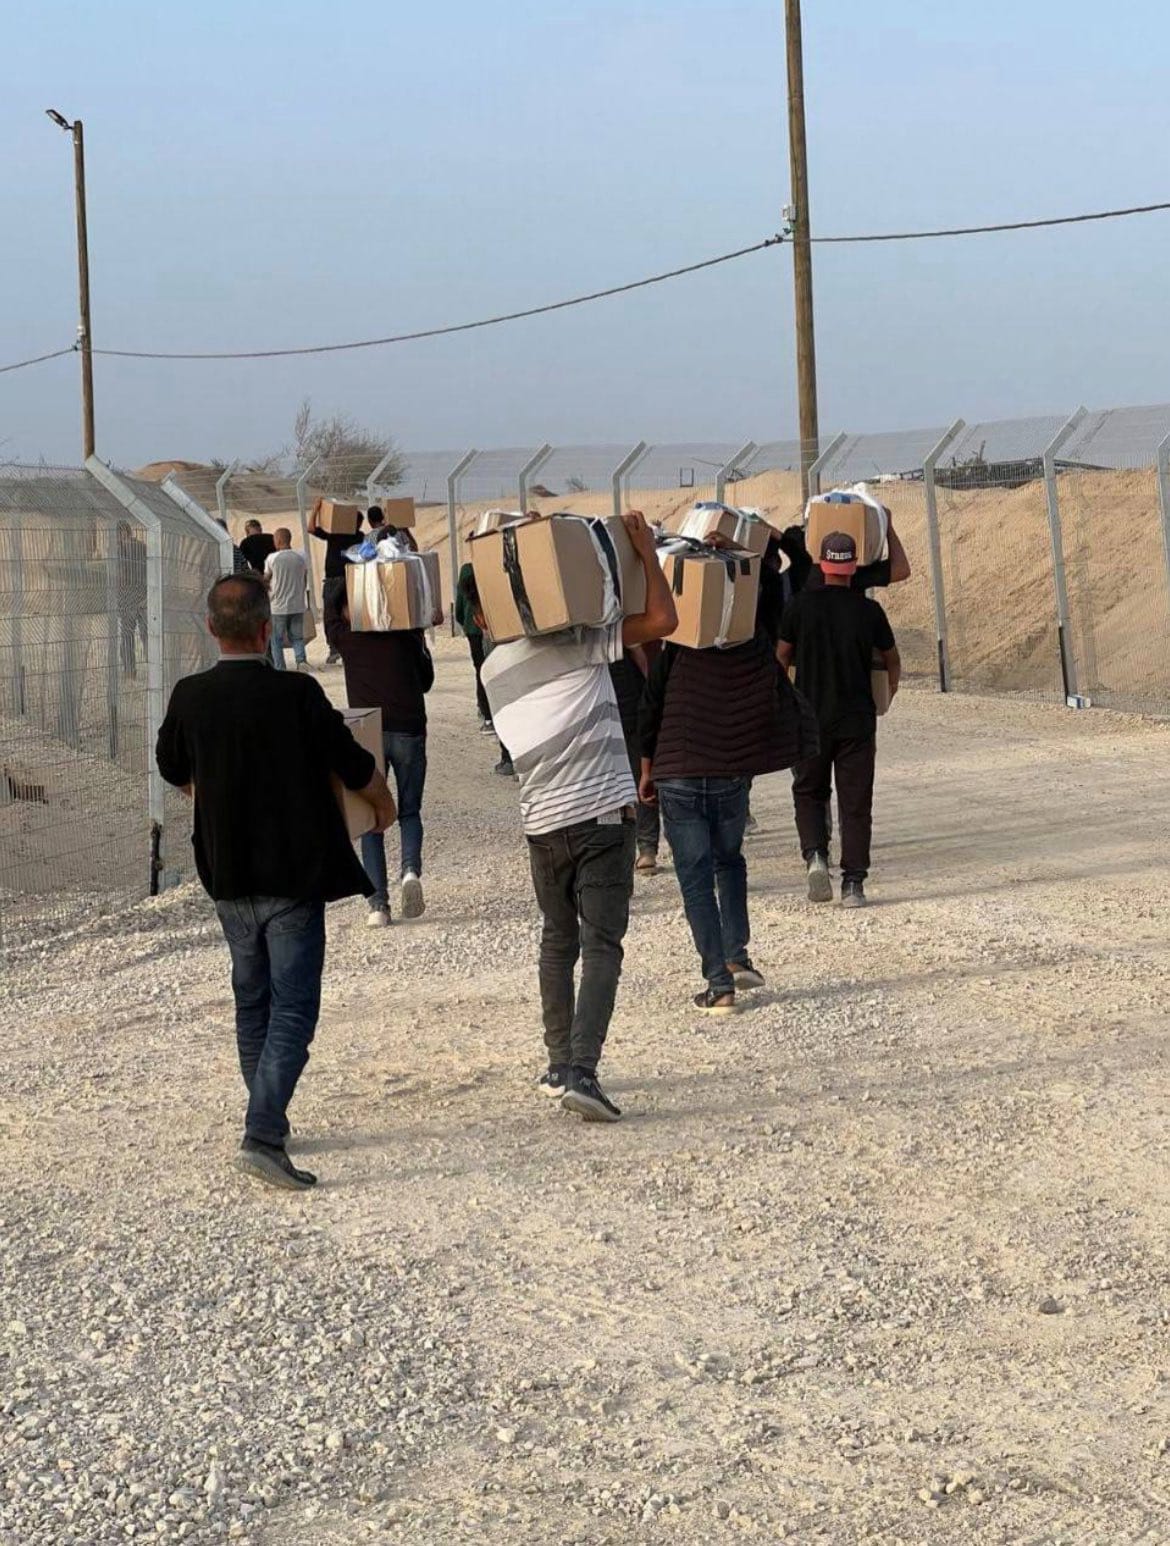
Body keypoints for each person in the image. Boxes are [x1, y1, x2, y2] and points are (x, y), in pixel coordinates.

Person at [155, 573, 397, 1192]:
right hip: (292, 878)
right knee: (294, 1007)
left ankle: (269, 1112)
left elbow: (170, 765)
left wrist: (205, 790)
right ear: (267, 628)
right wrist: (383, 803)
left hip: (228, 877)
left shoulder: (189, 696)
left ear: (211, 628)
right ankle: (262, 1132)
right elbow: (351, 760)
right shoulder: (297, 694)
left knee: (252, 1001)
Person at [466, 510, 677, 1123]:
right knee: (602, 941)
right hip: (602, 816)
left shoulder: (491, 670)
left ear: (487, 617)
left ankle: (559, 1063)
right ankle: (584, 1070)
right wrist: (643, 549)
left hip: (542, 824)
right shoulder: (577, 640)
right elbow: (665, 620)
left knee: (557, 940)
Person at [639, 544, 818, 1015]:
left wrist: (645, 767)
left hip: (677, 772)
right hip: (729, 775)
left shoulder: (677, 643)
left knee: (695, 879)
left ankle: (718, 981)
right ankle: (737, 957)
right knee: (729, 862)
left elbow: (651, 704)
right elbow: (776, 695)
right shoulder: (755, 644)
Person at [777, 532, 901, 910]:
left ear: (821, 561)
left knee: (809, 791)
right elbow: (892, 660)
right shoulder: (869, 612)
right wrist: (887, 696)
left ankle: (815, 855)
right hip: (857, 719)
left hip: (810, 717)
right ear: (853, 566)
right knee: (855, 801)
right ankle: (853, 883)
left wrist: (786, 701)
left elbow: (780, 657)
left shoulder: (799, 607)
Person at [325, 596, 433, 927]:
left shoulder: (348, 638)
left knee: (372, 818)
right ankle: (410, 871)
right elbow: (426, 682)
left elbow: (331, 620)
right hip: (409, 729)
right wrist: (414, 625)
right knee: (410, 811)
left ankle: (377, 906)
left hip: (369, 731)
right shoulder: (405, 634)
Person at [609, 645, 662, 873]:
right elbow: (637, 652)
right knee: (639, 770)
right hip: (624, 690)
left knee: (632, 774)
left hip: (615, 694)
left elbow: (636, 649)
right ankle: (645, 847)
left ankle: (640, 847)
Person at [309, 500, 368, 664]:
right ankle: (353, 647)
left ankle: (334, 649)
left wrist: (316, 509)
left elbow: (310, 528)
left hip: (334, 579)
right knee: (351, 614)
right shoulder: (360, 536)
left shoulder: (335, 534)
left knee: (331, 614)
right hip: (352, 577)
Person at [455, 559, 494, 734]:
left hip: (474, 630)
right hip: (495, 626)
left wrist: (466, 623)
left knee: (481, 671)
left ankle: (487, 716)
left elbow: (460, 607)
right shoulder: (492, 562)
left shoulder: (467, 570)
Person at [264, 528, 310, 671]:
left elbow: (266, 579)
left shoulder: (272, 558)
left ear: (278, 541)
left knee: (276, 639)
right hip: (297, 604)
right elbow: (304, 578)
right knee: (297, 637)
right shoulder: (301, 557)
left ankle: (280, 668)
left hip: (278, 606)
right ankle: (301, 660)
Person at [116, 521, 148, 678]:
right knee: (147, 634)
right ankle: (155, 669)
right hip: (144, 598)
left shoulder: (118, 550)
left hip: (127, 599)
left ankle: (130, 672)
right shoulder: (143, 546)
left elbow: (120, 577)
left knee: (127, 636)